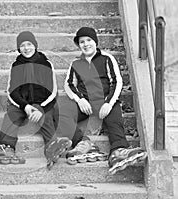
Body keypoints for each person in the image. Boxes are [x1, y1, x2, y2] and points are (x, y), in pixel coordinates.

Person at [46, 27, 147, 174]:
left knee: (114, 117)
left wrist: (108, 103)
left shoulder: (107, 59)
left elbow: (117, 82)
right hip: (85, 104)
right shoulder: (76, 63)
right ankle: (82, 142)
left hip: (105, 102)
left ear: (95, 42)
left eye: (89, 40)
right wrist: (80, 100)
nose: (86, 44)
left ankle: (118, 151)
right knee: (57, 111)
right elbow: (68, 84)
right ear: (79, 45)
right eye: (82, 42)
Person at [0, 31, 72, 166]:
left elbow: (52, 92)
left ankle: (52, 146)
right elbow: (12, 91)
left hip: (43, 103)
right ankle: (6, 146)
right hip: (22, 104)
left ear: (35, 45)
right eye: (22, 45)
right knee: (11, 115)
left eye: (29, 44)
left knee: (46, 117)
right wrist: (25, 106)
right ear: (19, 48)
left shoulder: (46, 63)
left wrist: (40, 108)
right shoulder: (16, 65)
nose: (26, 48)